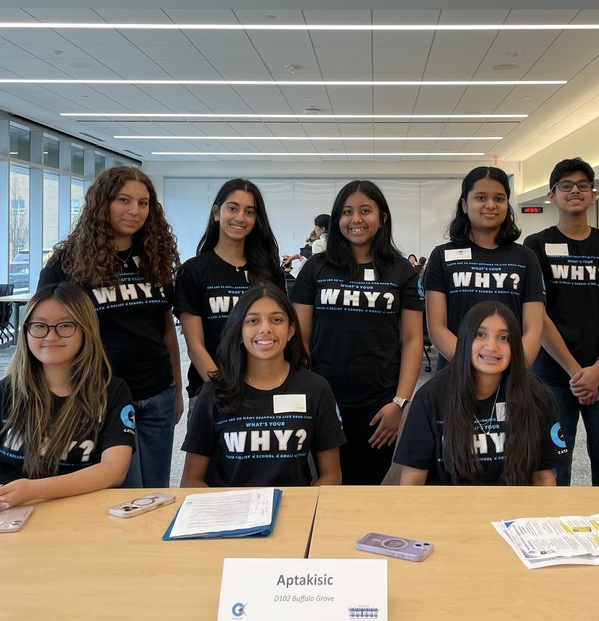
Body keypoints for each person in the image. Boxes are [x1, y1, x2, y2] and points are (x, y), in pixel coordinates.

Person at [38, 166, 181, 488]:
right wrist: (7, 397)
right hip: (100, 396)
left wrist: (176, 390)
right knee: (123, 495)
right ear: (102, 203)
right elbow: (40, 335)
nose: (135, 211)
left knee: (156, 492)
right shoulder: (67, 264)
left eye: (143, 203)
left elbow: (165, 329)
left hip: (157, 393)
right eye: (123, 200)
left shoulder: (155, 258)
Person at [0, 282, 135, 515]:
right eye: (39, 326)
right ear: (26, 332)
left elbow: (114, 470)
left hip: (79, 516)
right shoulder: (7, 391)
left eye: (65, 325)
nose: (51, 336)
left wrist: (34, 490)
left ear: (86, 330)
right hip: (7, 514)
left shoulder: (111, 392)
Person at [290, 180, 423, 485]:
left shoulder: (400, 270)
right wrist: (307, 394)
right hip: (324, 398)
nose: (356, 219)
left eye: (365, 210)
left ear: (382, 218)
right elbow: (300, 340)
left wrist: (400, 403)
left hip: (381, 403)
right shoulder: (316, 268)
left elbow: (413, 340)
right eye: (347, 211)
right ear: (337, 218)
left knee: (373, 489)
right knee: (324, 485)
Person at [524, 158, 599, 486]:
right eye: (566, 186)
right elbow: (538, 315)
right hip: (553, 376)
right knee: (553, 467)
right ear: (551, 195)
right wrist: (576, 373)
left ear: (593, 195)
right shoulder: (535, 245)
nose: (575, 191)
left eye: (583, 186)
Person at [180, 285, 344, 487]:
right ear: (239, 332)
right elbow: (191, 480)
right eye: (252, 321)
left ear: (291, 330)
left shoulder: (316, 389)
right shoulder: (213, 392)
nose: (265, 328)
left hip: (295, 505)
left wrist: (304, 506)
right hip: (232, 506)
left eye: (277, 320)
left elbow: (331, 476)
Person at [392, 302, 567, 485]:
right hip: (449, 503)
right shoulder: (431, 397)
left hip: (514, 503)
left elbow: (543, 477)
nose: (491, 346)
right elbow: (412, 482)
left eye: (504, 338)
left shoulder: (535, 394)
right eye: (480, 335)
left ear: (515, 346)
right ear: (465, 340)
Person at [174, 179, 285, 419]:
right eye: (233, 208)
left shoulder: (270, 272)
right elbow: (195, 346)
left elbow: (280, 333)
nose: (240, 217)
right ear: (216, 212)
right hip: (212, 389)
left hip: (266, 388)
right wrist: (225, 390)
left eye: (250, 212)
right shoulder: (193, 271)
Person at [424, 166, 545, 368]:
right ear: (464, 204)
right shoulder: (441, 256)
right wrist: (474, 368)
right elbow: (437, 328)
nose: (490, 205)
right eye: (481, 198)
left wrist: (510, 371)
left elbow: (533, 329)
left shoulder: (526, 257)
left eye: (499, 199)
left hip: (510, 373)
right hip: (456, 371)